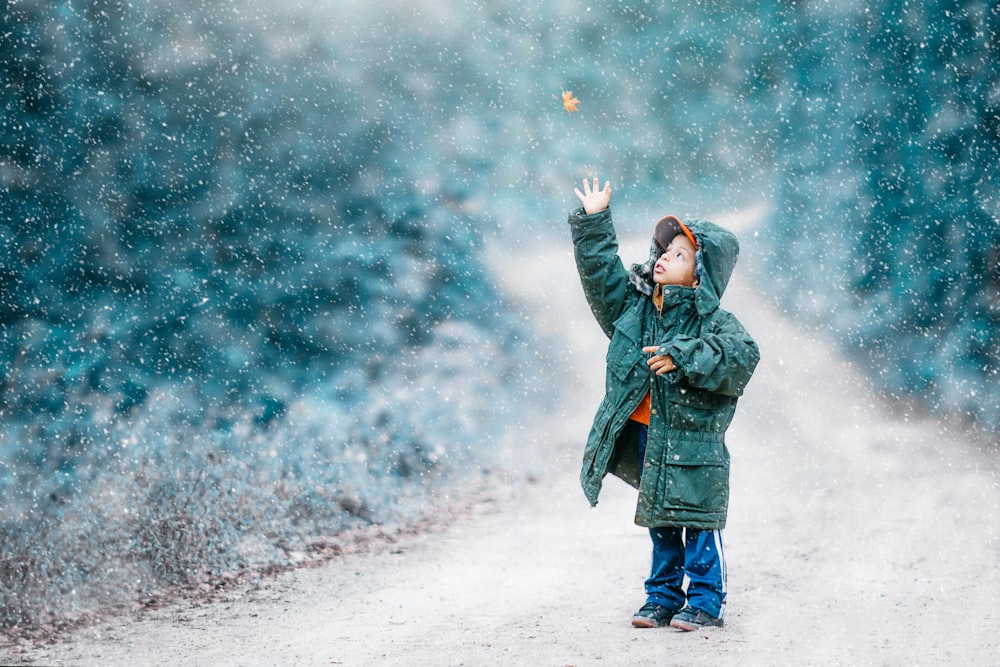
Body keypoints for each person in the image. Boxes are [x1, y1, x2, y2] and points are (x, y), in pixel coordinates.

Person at [568, 177, 760, 631]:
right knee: (660, 522)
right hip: (651, 435)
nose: (663, 259)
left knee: (698, 525)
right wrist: (595, 221)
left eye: (679, 255)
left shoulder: (712, 320)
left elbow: (741, 357)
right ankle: (662, 597)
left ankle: (707, 601)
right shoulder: (634, 307)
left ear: (700, 274)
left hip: (694, 446)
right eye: (663, 251)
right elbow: (600, 276)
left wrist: (685, 354)